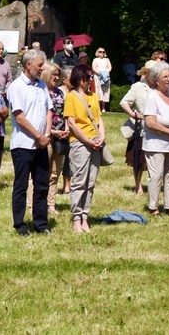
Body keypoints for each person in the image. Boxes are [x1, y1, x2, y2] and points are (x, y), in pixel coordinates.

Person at [7, 49, 53, 236]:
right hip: (23, 145)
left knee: (42, 185)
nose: (42, 68)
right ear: (28, 65)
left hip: (41, 144)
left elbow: (49, 110)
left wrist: (47, 134)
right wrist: (38, 136)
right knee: (21, 186)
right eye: (40, 65)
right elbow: (20, 117)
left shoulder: (41, 84)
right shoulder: (16, 87)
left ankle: (40, 223)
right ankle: (20, 224)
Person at [64, 64, 105, 233]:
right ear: (79, 78)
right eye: (87, 77)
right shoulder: (71, 97)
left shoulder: (94, 96)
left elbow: (99, 119)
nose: (90, 81)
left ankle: (85, 216)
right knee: (79, 181)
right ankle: (76, 217)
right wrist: (87, 141)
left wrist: (102, 137)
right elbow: (71, 123)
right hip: (80, 143)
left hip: (96, 142)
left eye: (91, 78)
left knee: (90, 182)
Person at [120, 60, 156, 194]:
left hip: (159, 128)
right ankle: (138, 186)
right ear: (146, 73)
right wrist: (133, 114)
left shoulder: (162, 87)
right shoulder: (137, 86)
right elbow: (124, 102)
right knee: (138, 159)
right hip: (141, 128)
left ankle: (155, 185)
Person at [142, 62, 169, 216]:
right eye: (165, 77)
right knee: (156, 176)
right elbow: (150, 123)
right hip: (155, 144)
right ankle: (153, 207)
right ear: (156, 80)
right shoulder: (152, 97)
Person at [41, 63, 69, 214]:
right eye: (54, 74)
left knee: (55, 172)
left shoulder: (59, 92)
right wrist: (51, 131)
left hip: (60, 137)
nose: (57, 77)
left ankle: (51, 203)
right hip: (46, 136)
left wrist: (66, 129)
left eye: (58, 74)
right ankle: (38, 201)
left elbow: (64, 113)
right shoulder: (41, 92)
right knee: (42, 171)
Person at [92, 47, 112, 112]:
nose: (102, 53)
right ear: (98, 52)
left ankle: (103, 107)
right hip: (98, 77)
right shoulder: (95, 59)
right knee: (98, 91)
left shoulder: (107, 59)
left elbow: (110, 67)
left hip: (106, 77)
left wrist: (106, 73)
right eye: (100, 52)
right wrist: (100, 73)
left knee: (105, 91)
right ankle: (98, 107)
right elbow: (94, 68)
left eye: (103, 52)